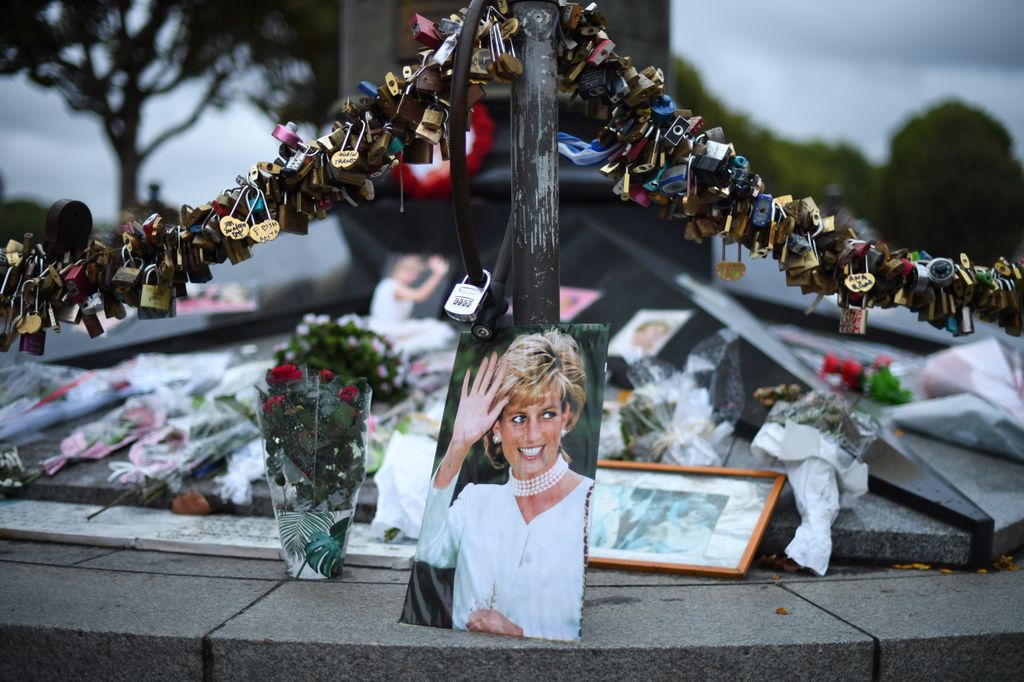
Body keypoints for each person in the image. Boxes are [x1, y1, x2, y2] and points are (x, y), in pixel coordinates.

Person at [416, 330, 594, 641]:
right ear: (496, 426)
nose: (533, 435)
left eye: (548, 414)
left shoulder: (590, 504)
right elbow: (429, 551)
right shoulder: (475, 501)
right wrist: (459, 444)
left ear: (565, 418)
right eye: (518, 418)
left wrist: (518, 633)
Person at [369, 254, 449, 323]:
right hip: (387, 328)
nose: (414, 277)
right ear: (400, 270)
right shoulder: (391, 285)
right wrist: (438, 274)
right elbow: (420, 295)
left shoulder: (395, 285)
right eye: (411, 272)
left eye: (416, 274)